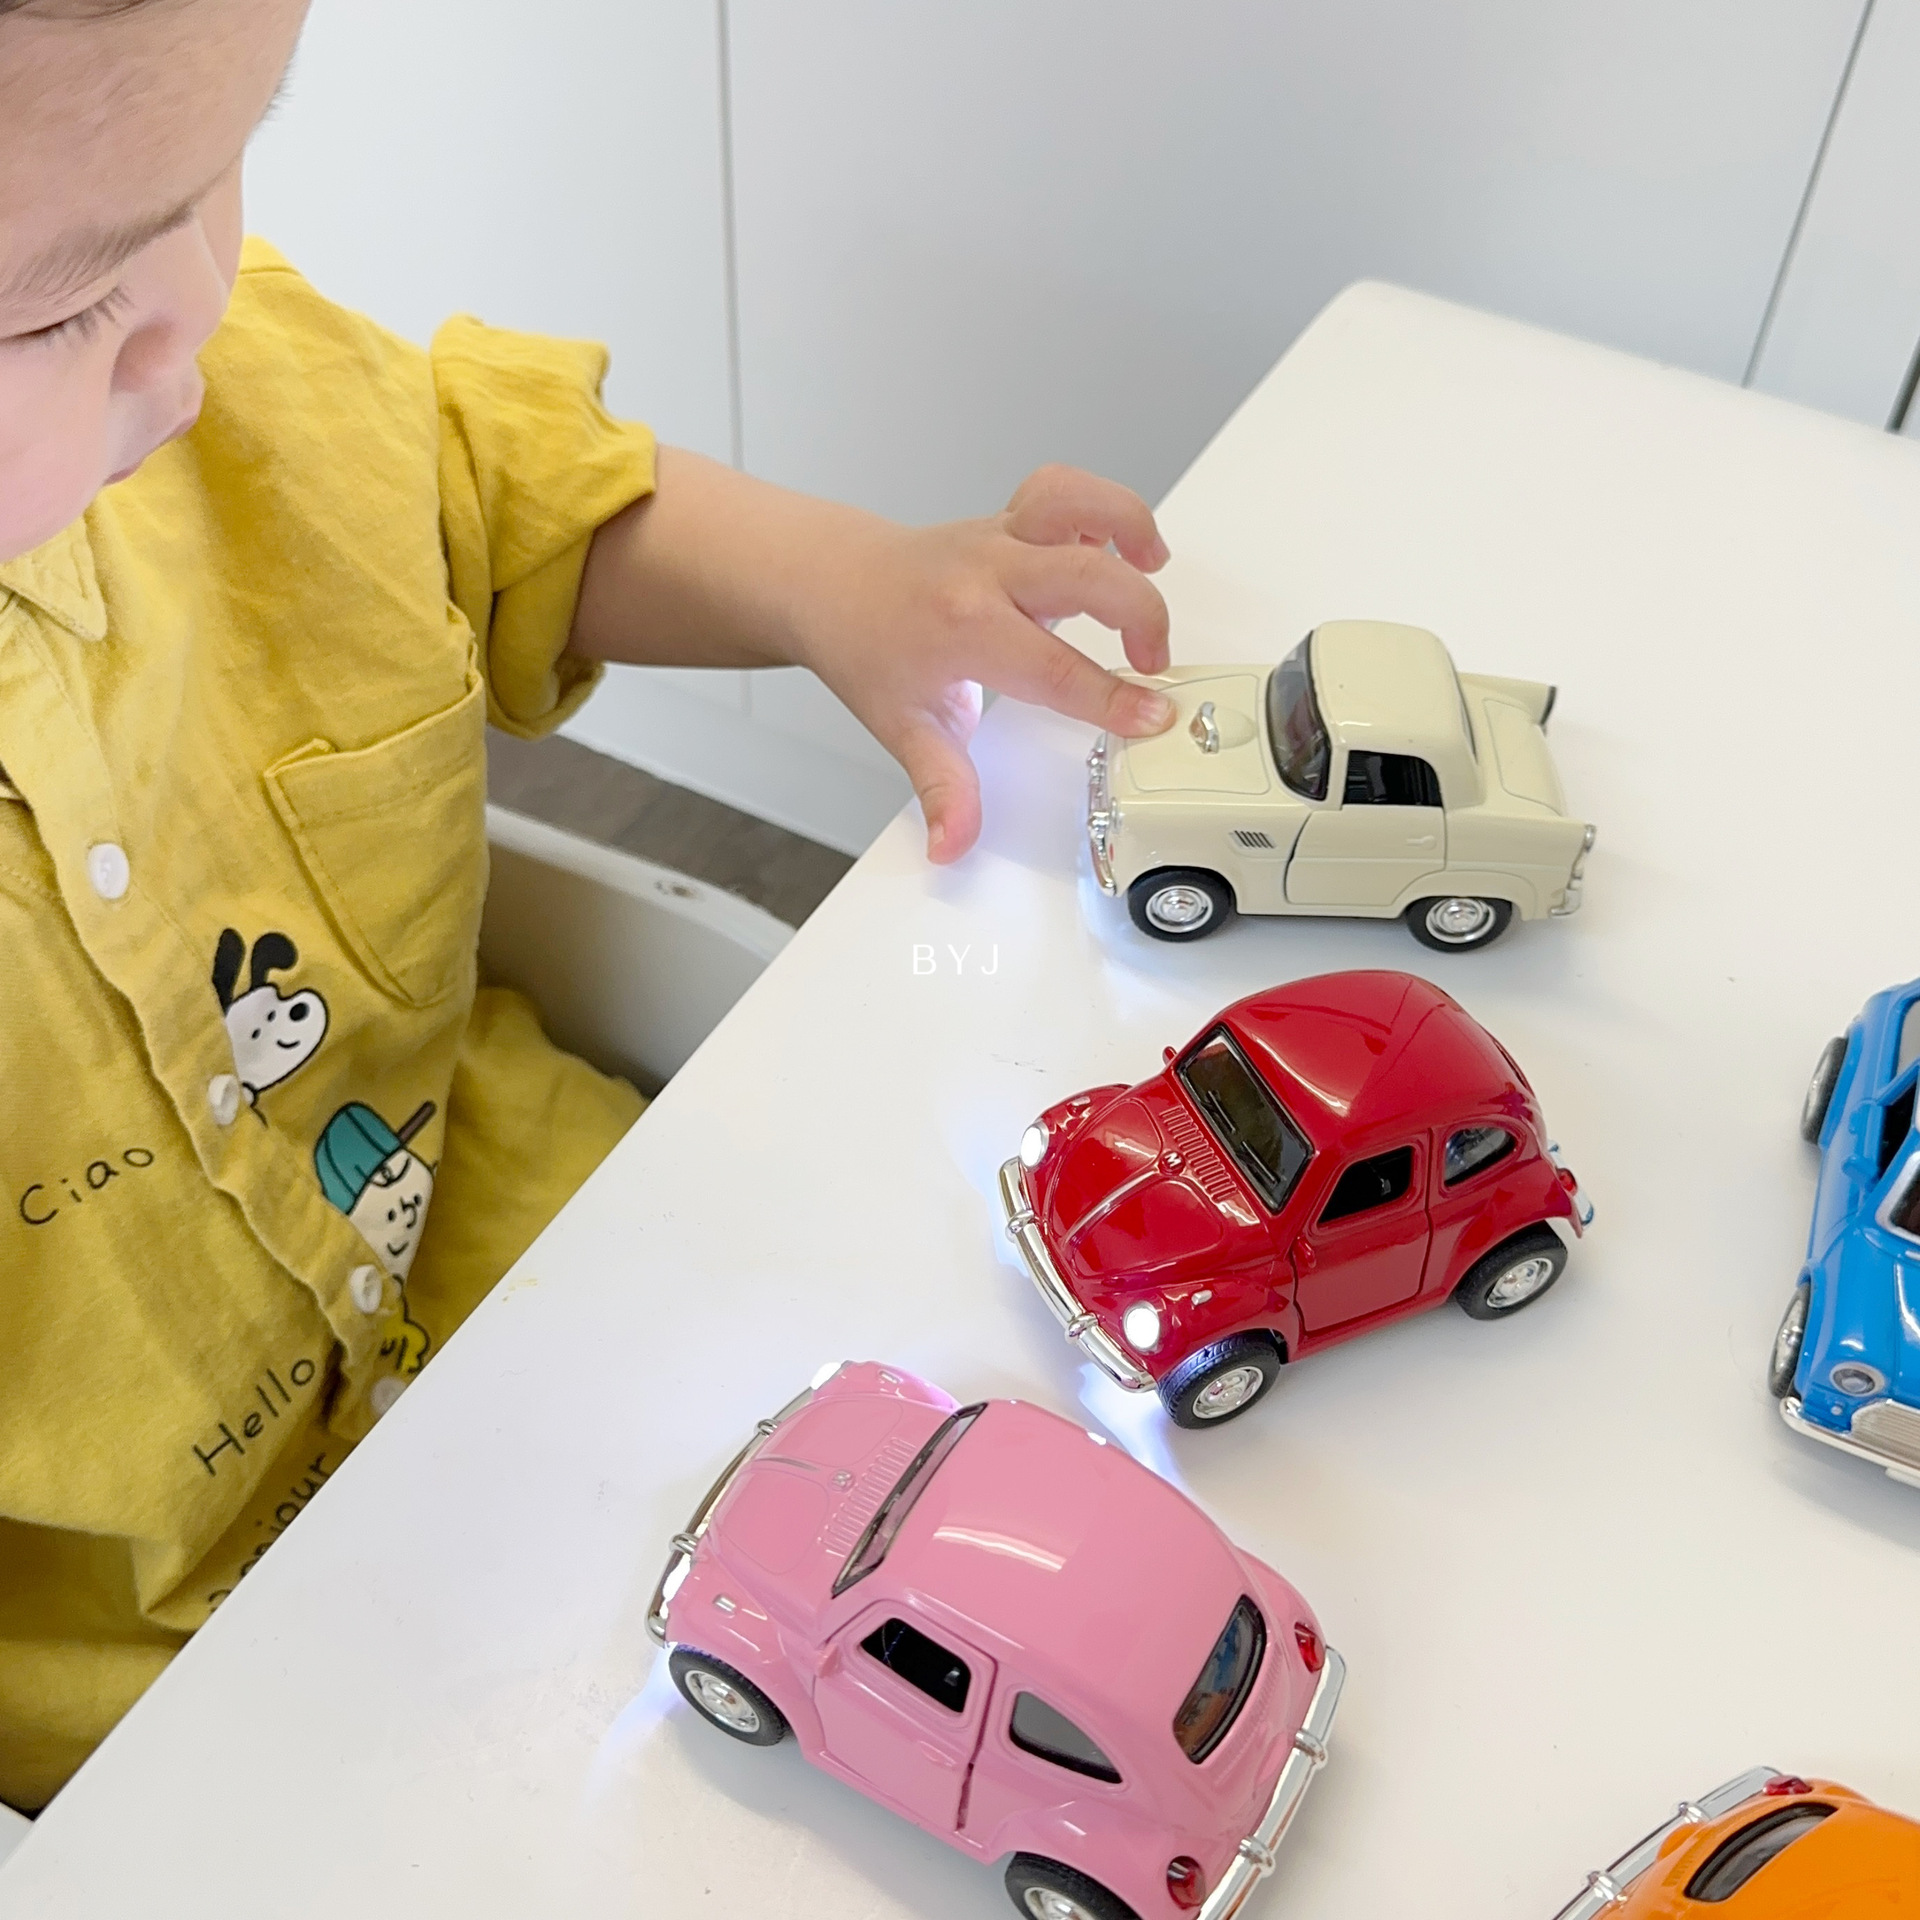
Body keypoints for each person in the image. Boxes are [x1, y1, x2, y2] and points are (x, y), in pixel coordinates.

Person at [0, 0, 1177, 1810]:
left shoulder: (235, 381)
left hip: (575, 1280)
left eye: (224, 166)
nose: (201, 314)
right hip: (188, 1698)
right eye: (63, 303)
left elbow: (497, 487)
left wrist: (836, 581)